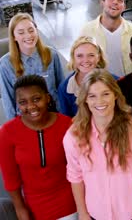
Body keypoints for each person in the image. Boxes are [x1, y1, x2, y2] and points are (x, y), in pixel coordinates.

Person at [63, 69, 132, 220]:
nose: (99, 101)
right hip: (95, 213)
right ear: (85, 99)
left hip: (130, 213)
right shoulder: (74, 136)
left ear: (116, 95)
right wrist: (83, 213)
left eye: (106, 94)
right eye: (92, 96)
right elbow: (75, 177)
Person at [0, 75, 76, 220]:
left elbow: (79, 168)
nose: (31, 106)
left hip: (70, 202)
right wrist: (20, 209)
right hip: (34, 206)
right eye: (23, 102)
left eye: (36, 99)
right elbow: (10, 178)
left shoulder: (67, 125)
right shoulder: (7, 132)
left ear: (47, 98)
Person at [0, 13, 64, 119]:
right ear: (14, 37)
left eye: (31, 30)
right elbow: (8, 100)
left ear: (36, 31)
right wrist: (14, 128)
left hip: (53, 113)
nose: (28, 36)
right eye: (21, 33)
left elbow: (61, 87)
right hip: (25, 118)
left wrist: (64, 118)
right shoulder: (5, 64)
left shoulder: (51, 54)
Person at [80, 0, 132, 77]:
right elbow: (80, 64)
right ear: (102, 2)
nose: (115, 2)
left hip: (127, 87)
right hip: (99, 88)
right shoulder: (87, 31)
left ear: (124, 7)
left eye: (120, 0)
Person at [58, 36, 108, 117]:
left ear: (98, 57)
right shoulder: (64, 88)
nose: (85, 60)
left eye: (91, 55)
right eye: (80, 56)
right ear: (73, 58)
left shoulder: (115, 82)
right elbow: (67, 119)